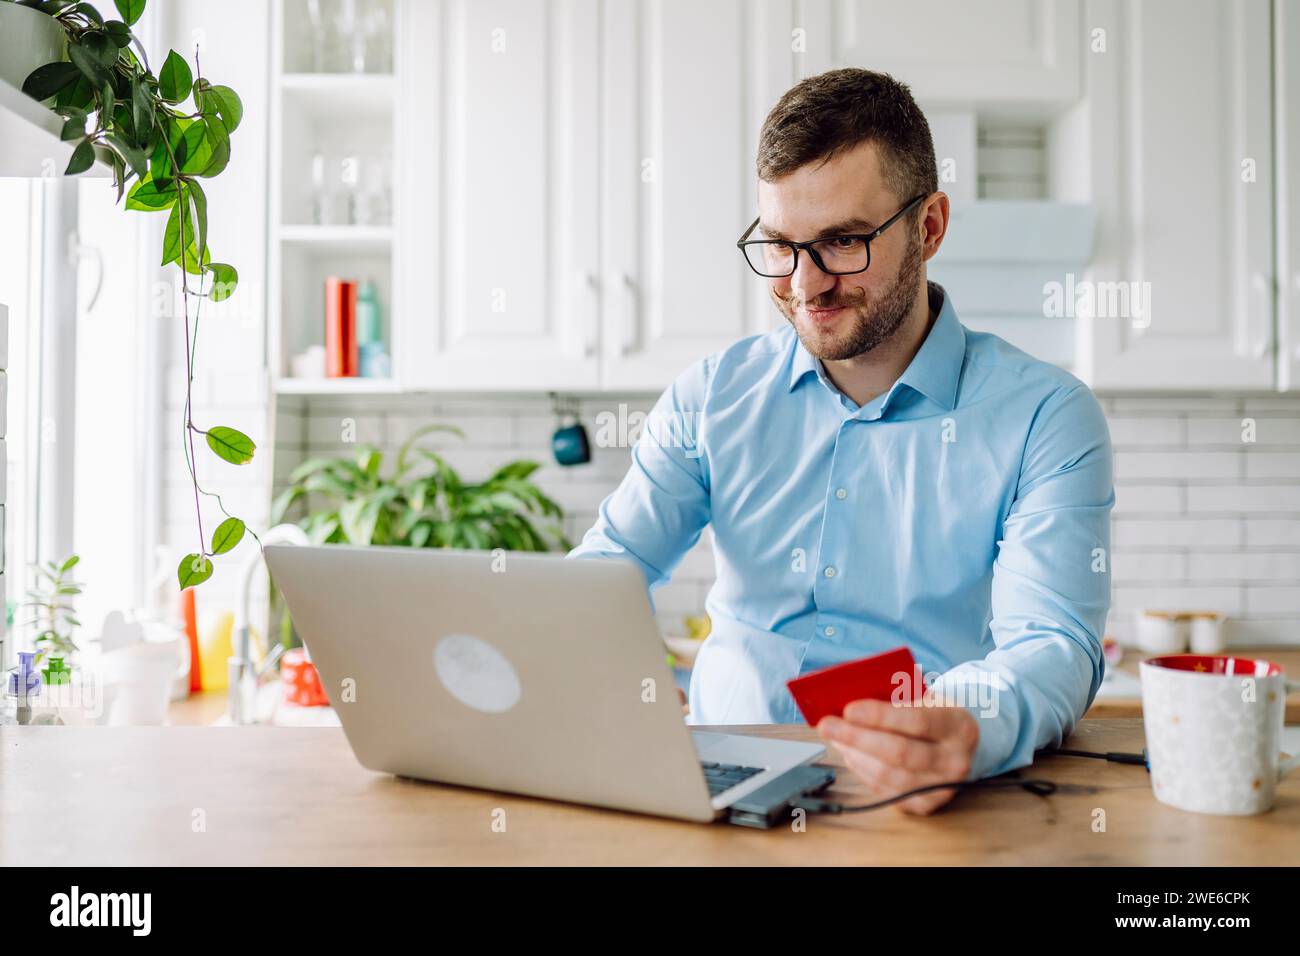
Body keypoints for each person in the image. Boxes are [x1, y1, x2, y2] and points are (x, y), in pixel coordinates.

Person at [568, 68, 1113, 815]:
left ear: (929, 226)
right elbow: (606, 576)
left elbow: (1052, 643)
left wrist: (971, 723)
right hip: (712, 802)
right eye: (781, 245)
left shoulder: (1046, 416)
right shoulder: (712, 394)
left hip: (911, 803)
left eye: (842, 242)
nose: (804, 283)